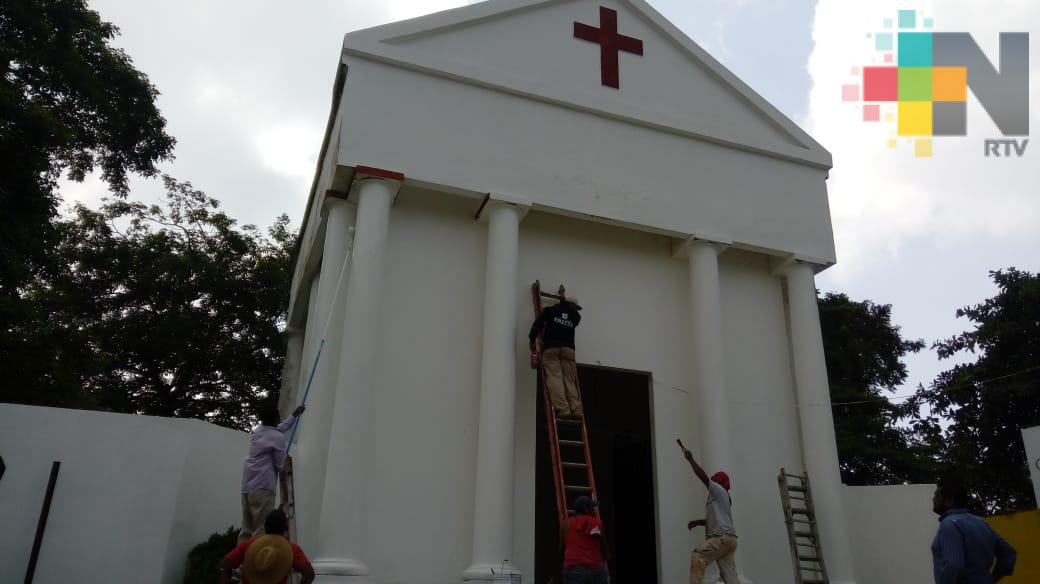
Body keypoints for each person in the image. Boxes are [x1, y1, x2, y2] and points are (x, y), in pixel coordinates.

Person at [931, 473, 1016, 584]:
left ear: (950, 501)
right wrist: (992, 579)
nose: (933, 499)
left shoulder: (949, 524)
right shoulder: (980, 522)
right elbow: (1009, 553)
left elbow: (954, 566)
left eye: (937, 495)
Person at [240, 403, 305, 542]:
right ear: (276, 418)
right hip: (263, 488)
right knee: (260, 529)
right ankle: (255, 561)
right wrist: (285, 459)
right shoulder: (277, 437)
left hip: (247, 487)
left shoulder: (258, 431)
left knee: (246, 528)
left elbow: (279, 428)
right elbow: (280, 466)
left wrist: (294, 415)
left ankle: (241, 561)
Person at [677, 439, 738, 584]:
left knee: (698, 556)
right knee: (730, 577)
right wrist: (698, 522)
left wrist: (690, 459)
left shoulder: (718, 490)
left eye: (716, 475)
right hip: (729, 540)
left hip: (721, 538)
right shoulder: (720, 498)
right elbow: (714, 520)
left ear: (720, 482)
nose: (713, 476)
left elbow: (702, 476)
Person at [219, 509, 315, 584]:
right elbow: (309, 574)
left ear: (265, 526)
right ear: (286, 528)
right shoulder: (292, 549)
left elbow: (223, 566)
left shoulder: (248, 544)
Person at [529, 293, 583, 419]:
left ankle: (563, 409)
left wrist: (532, 341)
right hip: (568, 350)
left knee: (555, 378)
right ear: (571, 305)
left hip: (551, 349)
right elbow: (570, 318)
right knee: (569, 380)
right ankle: (576, 409)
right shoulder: (576, 317)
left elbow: (538, 325)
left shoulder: (551, 311)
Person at [560, 495, 609, 584]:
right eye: (592, 507)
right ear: (586, 509)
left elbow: (562, 549)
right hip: (596, 569)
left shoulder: (566, 524)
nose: (594, 510)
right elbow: (603, 548)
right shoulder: (597, 522)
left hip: (574, 570)